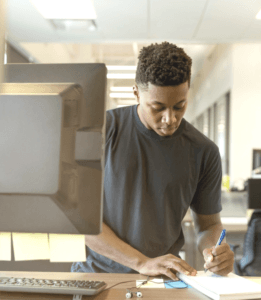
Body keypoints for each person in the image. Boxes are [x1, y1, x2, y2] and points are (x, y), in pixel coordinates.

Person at [71, 42, 234, 280]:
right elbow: (79, 218)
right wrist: (141, 262)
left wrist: (215, 252)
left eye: (180, 106)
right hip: (98, 277)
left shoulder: (203, 151)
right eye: (158, 108)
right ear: (136, 92)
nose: (170, 119)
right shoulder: (100, 132)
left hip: (162, 279)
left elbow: (209, 225)